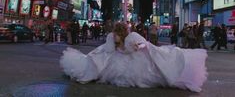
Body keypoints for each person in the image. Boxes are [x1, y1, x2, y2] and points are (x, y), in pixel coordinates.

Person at [60, 22, 208, 92]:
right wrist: (112, 41)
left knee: (154, 70)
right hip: (115, 57)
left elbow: (145, 44)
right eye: (115, 34)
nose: (116, 36)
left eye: (117, 34)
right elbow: (107, 50)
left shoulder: (132, 36)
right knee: (96, 65)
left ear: (122, 33)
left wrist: (137, 47)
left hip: (134, 58)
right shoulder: (111, 38)